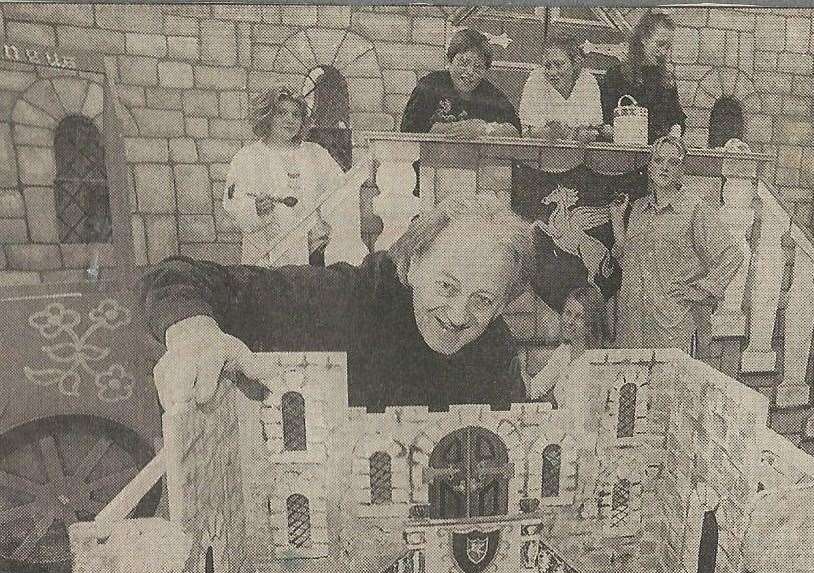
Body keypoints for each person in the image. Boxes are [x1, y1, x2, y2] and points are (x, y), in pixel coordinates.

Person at [140, 199, 535, 412]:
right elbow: (177, 275)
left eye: (483, 301)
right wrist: (194, 333)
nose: (458, 315)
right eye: (447, 287)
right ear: (413, 263)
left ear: (500, 306)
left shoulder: (495, 349)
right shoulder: (347, 298)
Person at [610, 134, 744, 356]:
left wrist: (700, 291)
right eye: (658, 161)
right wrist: (617, 219)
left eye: (673, 163)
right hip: (633, 325)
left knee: (673, 389)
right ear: (650, 167)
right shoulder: (637, 209)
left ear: (682, 171)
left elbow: (732, 254)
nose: (664, 168)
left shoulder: (694, 209)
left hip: (673, 325)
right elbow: (630, 264)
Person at [223, 88, 345, 266]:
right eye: (281, 113)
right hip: (266, 260)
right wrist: (256, 208)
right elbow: (232, 203)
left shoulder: (316, 154)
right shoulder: (247, 158)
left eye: (296, 114)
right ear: (267, 116)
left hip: (313, 260)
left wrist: (325, 229)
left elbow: (340, 193)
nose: (290, 120)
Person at [401, 28, 521, 139]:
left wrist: (483, 128)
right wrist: (448, 129)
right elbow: (408, 130)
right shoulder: (430, 85)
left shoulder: (491, 94)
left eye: (478, 67)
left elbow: (516, 130)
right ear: (450, 60)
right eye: (463, 63)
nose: (470, 72)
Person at [599, 10, 687, 144]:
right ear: (644, 39)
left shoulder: (667, 79)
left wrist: (674, 133)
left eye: (668, 46)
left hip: (655, 156)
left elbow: (677, 119)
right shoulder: (615, 75)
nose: (663, 51)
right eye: (660, 44)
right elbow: (604, 120)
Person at [526, 285, 607, 411]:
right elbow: (535, 389)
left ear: (590, 324)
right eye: (568, 313)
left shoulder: (597, 360)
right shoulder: (563, 352)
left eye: (579, 317)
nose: (570, 322)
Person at [519, 37, 607, 143]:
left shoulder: (587, 81)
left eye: (559, 65)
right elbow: (527, 132)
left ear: (575, 63)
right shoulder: (536, 79)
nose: (552, 72)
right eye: (547, 66)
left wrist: (576, 133)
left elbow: (593, 130)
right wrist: (551, 132)